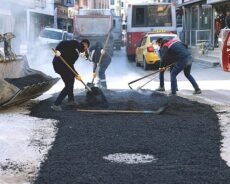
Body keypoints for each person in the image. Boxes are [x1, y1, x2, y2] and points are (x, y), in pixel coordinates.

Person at [51, 39, 90, 111]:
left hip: (58, 64)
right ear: (84, 44)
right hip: (60, 65)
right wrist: (76, 74)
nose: (85, 49)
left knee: (70, 81)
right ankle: (56, 104)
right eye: (86, 47)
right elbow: (69, 64)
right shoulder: (75, 48)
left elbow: (68, 61)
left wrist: (75, 74)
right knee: (69, 84)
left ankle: (71, 100)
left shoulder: (75, 45)